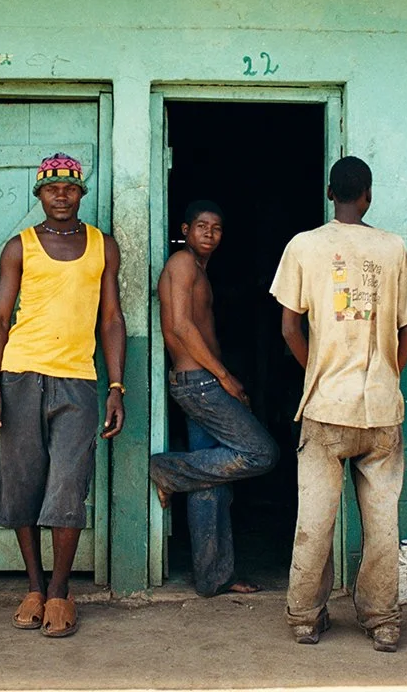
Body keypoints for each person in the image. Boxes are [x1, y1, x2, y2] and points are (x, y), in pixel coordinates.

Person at [270, 156, 407, 652]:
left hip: (324, 405)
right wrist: (388, 375)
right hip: (381, 408)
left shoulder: (305, 246)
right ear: (368, 194)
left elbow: (289, 327)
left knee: (314, 518)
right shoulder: (393, 247)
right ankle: (383, 620)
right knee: (382, 520)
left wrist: (315, 369)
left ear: (330, 192)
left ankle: (304, 618)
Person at [0, 153, 126, 639]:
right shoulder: (19, 247)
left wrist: (116, 387)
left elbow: (111, 319)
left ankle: (61, 593)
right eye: (51, 189)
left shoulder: (104, 246)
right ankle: (35, 589)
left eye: (70, 188)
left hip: (78, 380)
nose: (60, 196)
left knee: (67, 485)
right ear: (39, 195)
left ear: (81, 193)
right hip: (20, 374)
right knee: (22, 484)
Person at [149, 200, 279, 597]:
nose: (209, 233)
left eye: (217, 228)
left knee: (212, 482)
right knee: (261, 453)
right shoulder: (182, 264)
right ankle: (167, 468)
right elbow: (181, 327)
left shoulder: (200, 270)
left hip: (202, 380)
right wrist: (224, 378)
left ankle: (213, 577)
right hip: (199, 383)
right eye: (202, 226)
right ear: (186, 229)